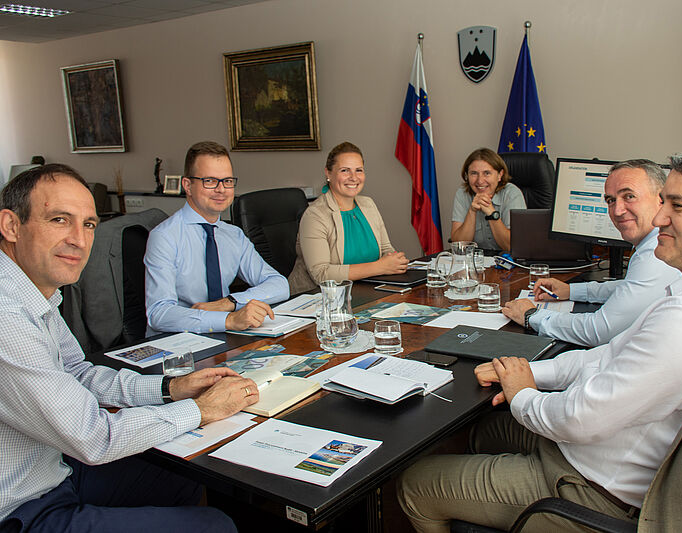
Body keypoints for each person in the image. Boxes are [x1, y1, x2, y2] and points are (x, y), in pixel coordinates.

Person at [397, 148, 682, 532]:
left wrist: (523, 393)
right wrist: (529, 371)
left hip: (594, 484)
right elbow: (608, 354)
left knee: (415, 483)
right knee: (482, 430)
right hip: (601, 447)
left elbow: (581, 419)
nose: (660, 217)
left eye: (676, 206)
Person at [0, 164, 261, 532]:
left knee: (186, 468)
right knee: (214, 525)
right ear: (11, 225)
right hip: (22, 511)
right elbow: (94, 437)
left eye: (89, 224)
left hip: (55, 468)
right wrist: (199, 409)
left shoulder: (34, 291)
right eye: (59, 220)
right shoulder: (7, 315)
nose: (79, 239)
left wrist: (169, 389)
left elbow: (78, 373)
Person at [502, 159, 681, 347]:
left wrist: (532, 316)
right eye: (611, 200)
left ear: (661, 199)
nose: (617, 211)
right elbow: (631, 287)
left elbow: (599, 331)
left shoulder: (656, 254)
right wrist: (572, 291)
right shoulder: (653, 243)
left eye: (629, 196)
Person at [145, 141, 289, 334]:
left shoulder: (233, 234)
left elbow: (279, 285)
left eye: (227, 181)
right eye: (210, 181)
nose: (221, 189)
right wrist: (228, 320)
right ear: (187, 185)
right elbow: (159, 313)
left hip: (225, 336)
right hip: (177, 343)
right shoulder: (165, 237)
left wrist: (229, 303)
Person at [288, 141, 407, 294]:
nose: (353, 177)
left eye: (359, 170)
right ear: (328, 173)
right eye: (345, 170)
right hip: (318, 300)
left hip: (367, 292)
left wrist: (395, 261)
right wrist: (380, 267)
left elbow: (385, 249)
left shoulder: (368, 204)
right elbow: (321, 274)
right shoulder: (315, 215)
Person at [450, 148, 526, 251]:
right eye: (474, 173)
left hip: (507, 262)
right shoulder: (463, 194)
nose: (480, 180)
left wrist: (491, 214)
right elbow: (459, 247)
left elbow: (513, 247)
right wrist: (472, 211)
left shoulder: (512, 194)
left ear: (500, 175)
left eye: (487, 173)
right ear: (467, 175)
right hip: (476, 261)